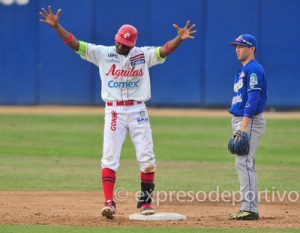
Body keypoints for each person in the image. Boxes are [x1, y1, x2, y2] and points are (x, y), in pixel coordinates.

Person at [39, 6, 196, 220]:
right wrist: (57, 27)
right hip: (114, 111)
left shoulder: (142, 55)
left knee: (148, 158)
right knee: (110, 157)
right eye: (120, 41)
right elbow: (75, 44)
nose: (121, 45)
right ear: (116, 37)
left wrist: (179, 39)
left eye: (126, 43)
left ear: (132, 44)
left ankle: (145, 201)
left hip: (138, 109)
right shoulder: (103, 53)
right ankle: (109, 203)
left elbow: (164, 50)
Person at [227, 34, 268, 220]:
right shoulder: (244, 70)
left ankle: (250, 208)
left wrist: (243, 126)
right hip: (242, 120)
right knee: (245, 162)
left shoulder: (253, 70)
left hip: (248, 120)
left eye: (242, 46)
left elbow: (253, 99)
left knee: (243, 162)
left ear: (252, 49)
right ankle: (249, 206)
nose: (237, 49)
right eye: (236, 46)